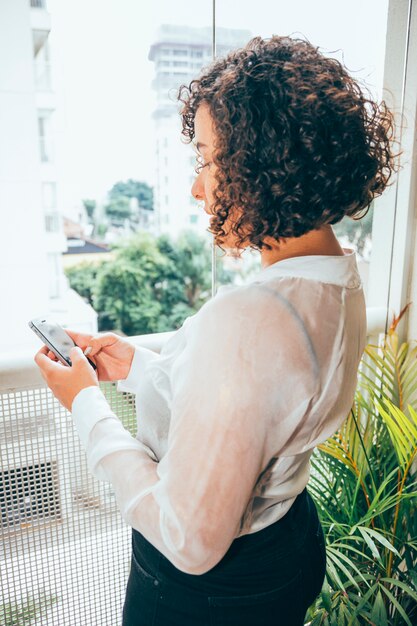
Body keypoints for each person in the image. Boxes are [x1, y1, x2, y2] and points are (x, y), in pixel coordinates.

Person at [35, 35, 396, 626]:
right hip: (286, 547)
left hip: (211, 596)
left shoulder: (251, 318)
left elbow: (190, 541)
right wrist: (142, 369)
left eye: (205, 160)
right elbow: (257, 404)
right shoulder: (340, 278)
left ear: (264, 164)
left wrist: (83, 404)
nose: (197, 188)